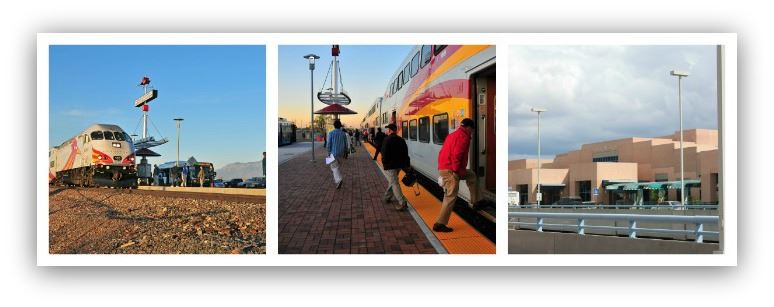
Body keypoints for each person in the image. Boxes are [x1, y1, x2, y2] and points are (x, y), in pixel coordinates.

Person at [433, 118, 477, 233]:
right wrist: (456, 170)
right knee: (450, 197)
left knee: (471, 175)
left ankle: (476, 200)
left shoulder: (452, 135)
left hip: (446, 168)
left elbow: (441, 152)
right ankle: (440, 224)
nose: (472, 132)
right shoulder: (464, 137)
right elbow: (457, 155)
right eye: (472, 130)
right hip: (452, 170)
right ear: (469, 128)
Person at [380, 123, 410, 211]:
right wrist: (406, 165)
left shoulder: (387, 139)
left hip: (390, 166)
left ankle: (402, 202)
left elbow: (384, 153)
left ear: (390, 130)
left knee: (394, 183)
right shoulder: (401, 140)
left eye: (387, 129)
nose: (386, 131)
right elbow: (406, 153)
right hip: (399, 165)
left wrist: (384, 164)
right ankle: (387, 197)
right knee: (393, 181)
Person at [326, 119, 348, 189]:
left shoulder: (331, 133)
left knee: (333, 167)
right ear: (340, 126)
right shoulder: (343, 133)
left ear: (334, 126)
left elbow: (328, 144)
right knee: (336, 167)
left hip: (333, 153)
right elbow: (346, 144)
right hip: (341, 153)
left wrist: (328, 152)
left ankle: (338, 179)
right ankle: (338, 179)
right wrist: (345, 152)